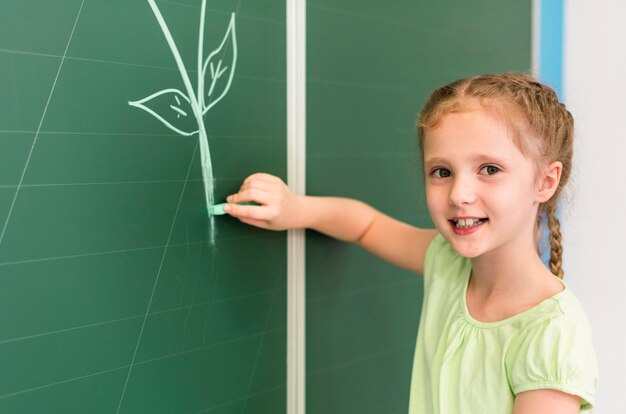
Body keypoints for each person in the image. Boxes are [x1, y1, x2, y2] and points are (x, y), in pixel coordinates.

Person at [223, 73, 598, 413]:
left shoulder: (552, 335)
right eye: (442, 172)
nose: (459, 193)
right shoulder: (448, 263)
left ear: (545, 182)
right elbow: (366, 225)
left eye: (489, 169)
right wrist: (296, 209)